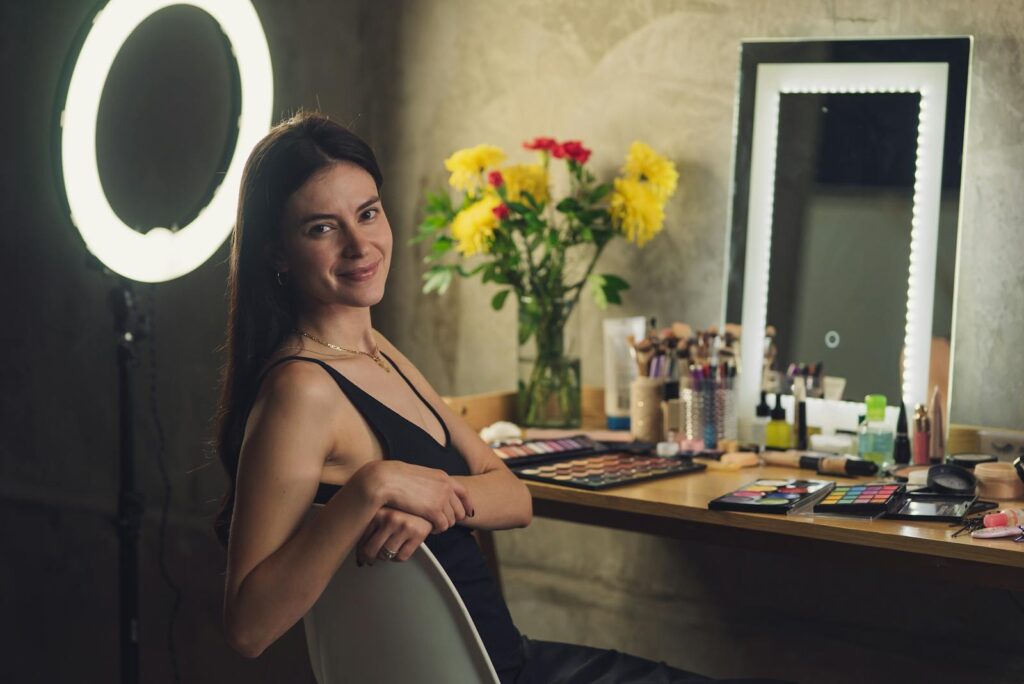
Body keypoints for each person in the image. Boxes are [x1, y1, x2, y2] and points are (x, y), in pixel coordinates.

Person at [214, 109, 784, 684]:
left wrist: (432, 501)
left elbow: (515, 499)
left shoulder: (374, 350)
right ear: (276, 253)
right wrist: (372, 487)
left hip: (510, 659)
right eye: (321, 228)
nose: (360, 245)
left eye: (368, 213)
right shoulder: (301, 389)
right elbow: (247, 628)